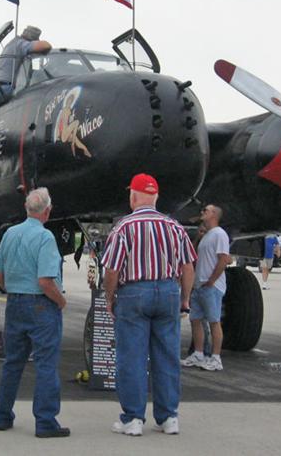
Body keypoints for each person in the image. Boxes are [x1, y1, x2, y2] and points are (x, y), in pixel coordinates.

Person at [101, 174, 196, 437]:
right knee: (166, 356)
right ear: (156, 197)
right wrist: (185, 298)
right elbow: (188, 267)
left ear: (133, 196)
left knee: (131, 357)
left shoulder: (123, 228)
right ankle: (168, 417)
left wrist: (110, 298)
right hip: (168, 291)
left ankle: (133, 418)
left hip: (133, 293)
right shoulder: (174, 227)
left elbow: (112, 269)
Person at [0, 187, 69, 439]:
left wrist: (9, 287)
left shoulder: (10, 233)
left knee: (12, 362)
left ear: (26, 208)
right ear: (47, 211)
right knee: (46, 363)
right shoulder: (45, 238)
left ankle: (2, 415)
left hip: (15, 301)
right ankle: (45, 420)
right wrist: (61, 301)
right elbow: (46, 280)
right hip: (41, 304)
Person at [181, 204, 231, 371]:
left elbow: (224, 259)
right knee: (196, 320)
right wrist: (198, 238)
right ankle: (199, 353)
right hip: (199, 284)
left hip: (211, 286)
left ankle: (216, 358)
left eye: (206, 211)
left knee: (214, 322)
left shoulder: (220, 234)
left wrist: (211, 280)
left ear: (214, 214)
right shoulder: (207, 235)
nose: (202, 212)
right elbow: (194, 255)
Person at [0, 25, 52, 92]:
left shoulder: (12, 44)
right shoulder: (21, 44)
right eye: (36, 39)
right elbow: (46, 45)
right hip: (6, 88)